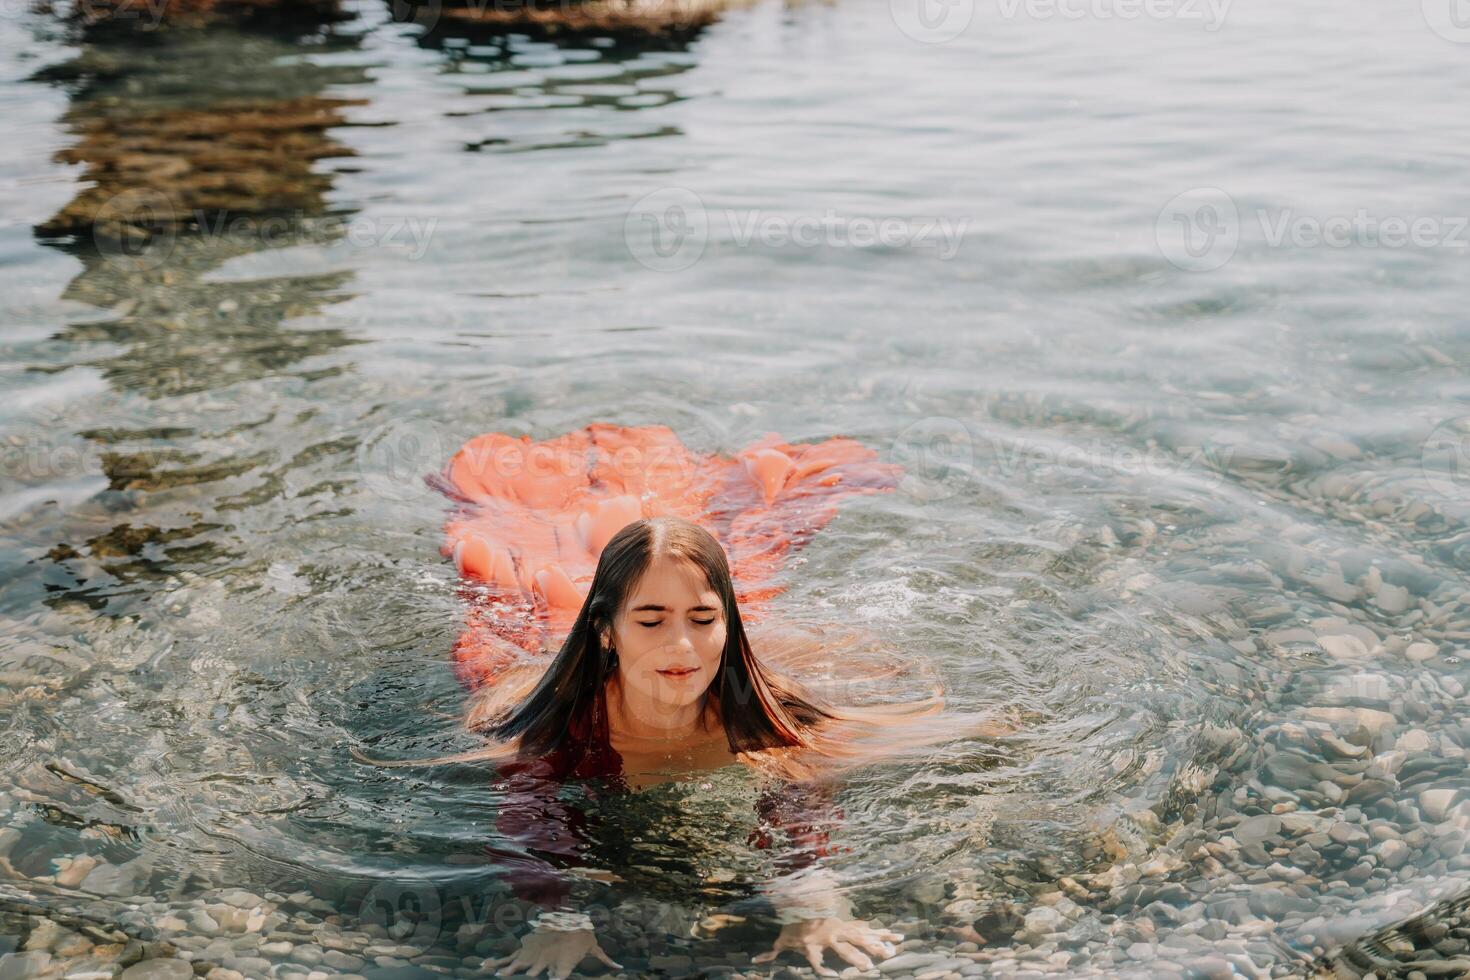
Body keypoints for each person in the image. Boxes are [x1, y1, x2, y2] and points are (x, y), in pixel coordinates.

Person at [355, 515, 1015, 978]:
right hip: (512, 668)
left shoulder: (762, 711)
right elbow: (532, 817)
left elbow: (799, 796)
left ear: (729, 624)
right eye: (651, 620)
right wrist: (560, 917)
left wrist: (814, 900)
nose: (682, 647)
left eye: (704, 620)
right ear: (608, 631)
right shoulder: (554, 726)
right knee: (490, 568)